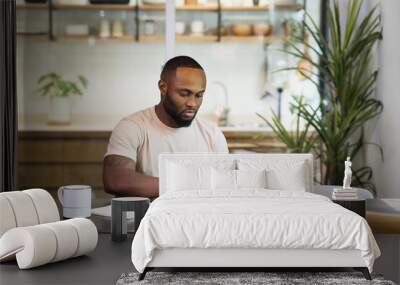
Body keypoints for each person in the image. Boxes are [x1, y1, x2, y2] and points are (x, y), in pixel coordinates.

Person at [103, 56, 229, 198]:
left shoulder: (212, 134)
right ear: (163, 87)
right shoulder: (132, 127)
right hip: (146, 219)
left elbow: (225, 185)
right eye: (184, 94)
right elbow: (116, 180)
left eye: (199, 95)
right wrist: (191, 185)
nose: (192, 103)